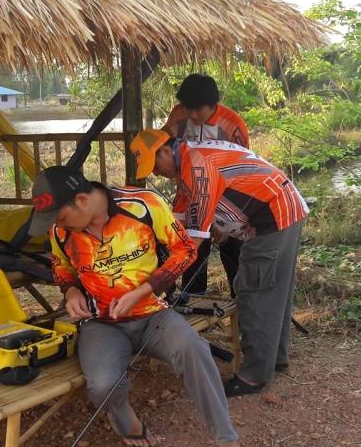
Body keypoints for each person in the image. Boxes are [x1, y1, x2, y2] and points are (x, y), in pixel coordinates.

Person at [27, 166, 243, 447]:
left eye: (62, 217)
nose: (59, 225)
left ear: (81, 200)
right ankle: (126, 420)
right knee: (102, 385)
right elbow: (60, 265)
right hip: (101, 322)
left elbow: (186, 249)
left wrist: (144, 290)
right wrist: (71, 291)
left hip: (153, 314)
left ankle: (227, 442)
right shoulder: (60, 230)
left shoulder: (143, 204)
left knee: (195, 350)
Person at [129, 130, 308, 397]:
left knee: (253, 291)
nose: (156, 173)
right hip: (284, 209)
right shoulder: (190, 160)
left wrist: (158, 279)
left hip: (271, 217)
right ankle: (274, 360)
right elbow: (179, 217)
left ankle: (254, 376)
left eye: (154, 164)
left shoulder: (197, 165)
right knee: (273, 290)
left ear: (165, 150)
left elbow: (193, 241)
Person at [160, 73, 248, 297]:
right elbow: (162, 152)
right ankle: (194, 303)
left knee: (233, 253)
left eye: (198, 110)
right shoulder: (179, 115)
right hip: (190, 196)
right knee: (193, 252)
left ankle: (239, 304)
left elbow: (240, 172)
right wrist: (163, 135)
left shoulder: (233, 124)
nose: (192, 114)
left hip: (226, 202)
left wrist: (221, 220)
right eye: (188, 108)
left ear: (213, 105)